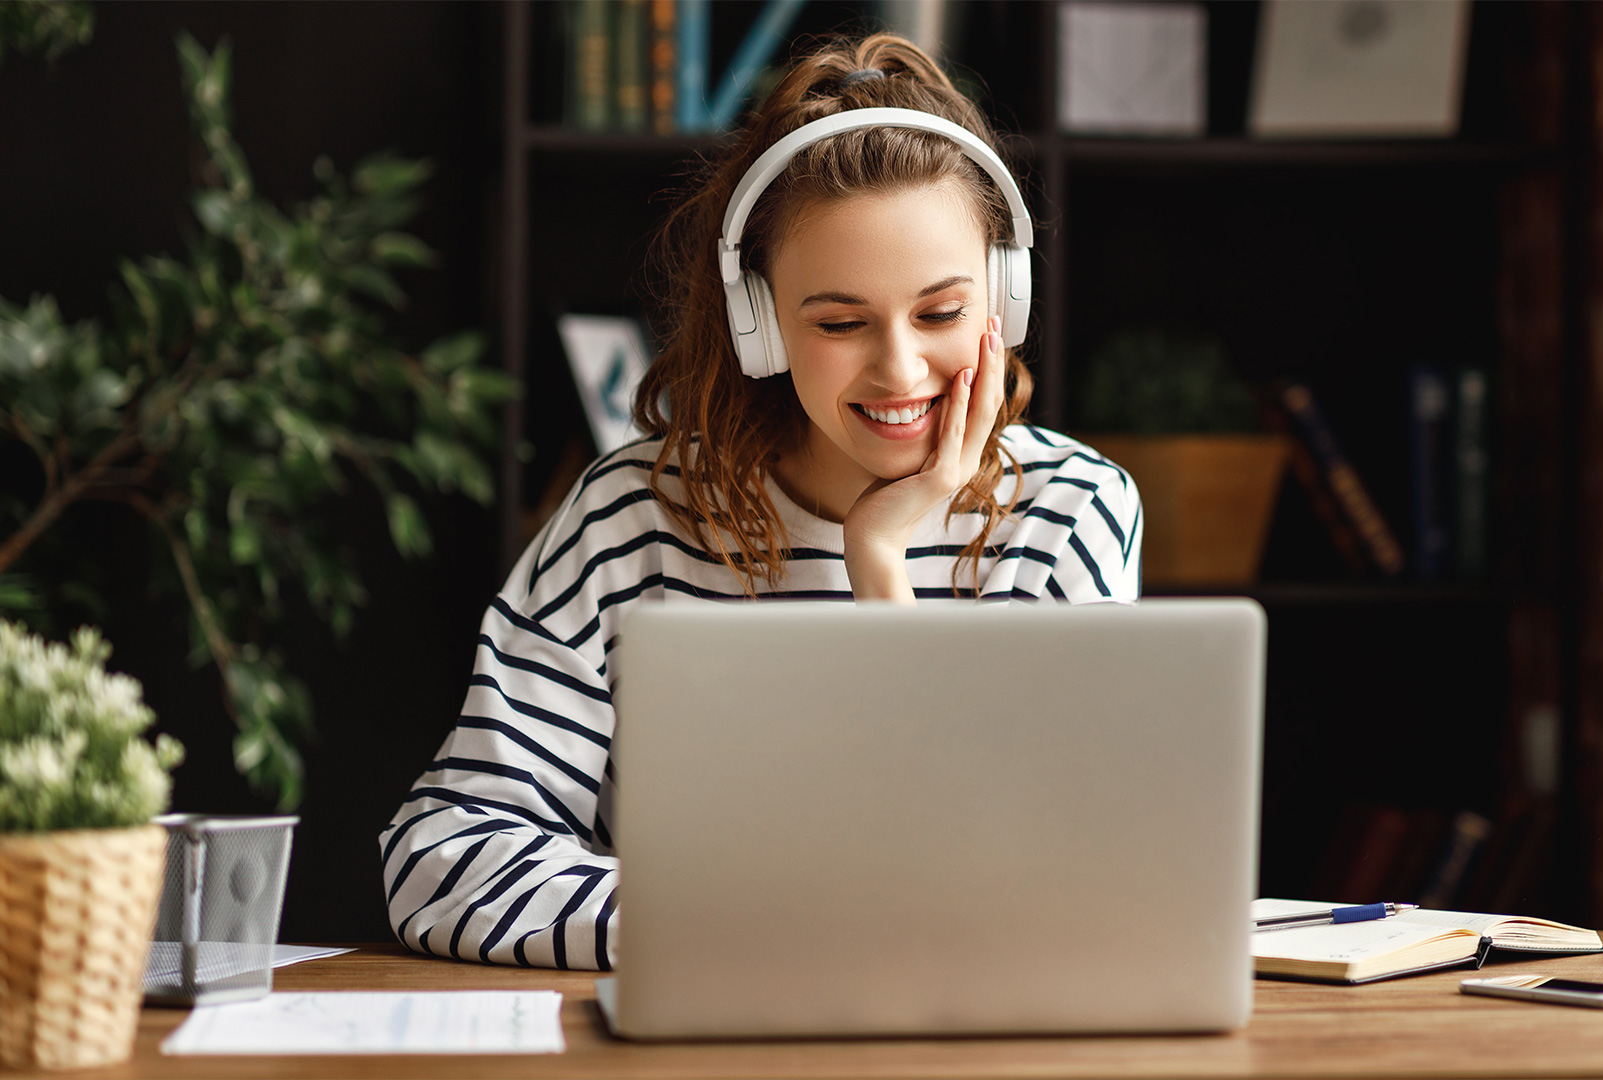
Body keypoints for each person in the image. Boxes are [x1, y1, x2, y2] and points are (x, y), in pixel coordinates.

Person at [378, 32, 1141, 969]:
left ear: (1004, 301)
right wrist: (747, 928)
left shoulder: (1069, 511)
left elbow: (1051, 884)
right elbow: (444, 859)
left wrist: (882, 564)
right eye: (839, 321)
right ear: (760, 321)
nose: (900, 368)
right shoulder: (631, 517)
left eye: (940, 314)